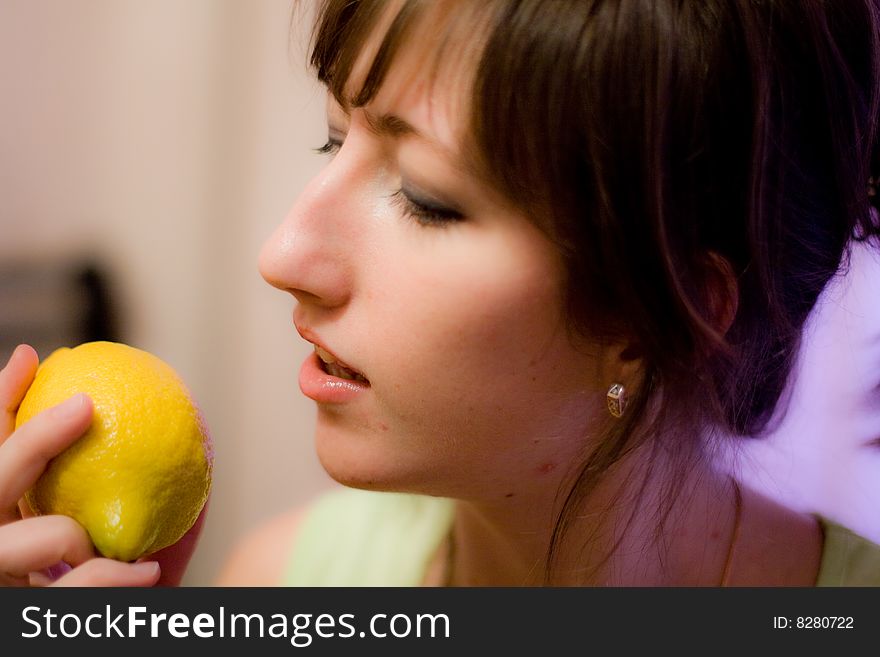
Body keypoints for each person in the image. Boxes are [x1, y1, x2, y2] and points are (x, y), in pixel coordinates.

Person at [2, 0, 880, 587]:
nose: (283, 254)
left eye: (425, 196)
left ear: (654, 314)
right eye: (331, 141)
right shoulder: (282, 581)